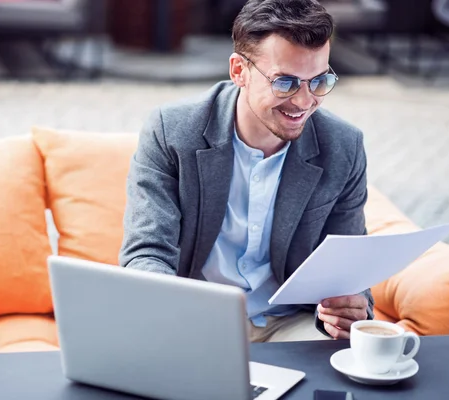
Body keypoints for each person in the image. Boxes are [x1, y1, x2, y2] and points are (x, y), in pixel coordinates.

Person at [119, 0, 374, 342]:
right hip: (200, 320)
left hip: (292, 322)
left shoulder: (343, 146)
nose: (304, 101)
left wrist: (351, 307)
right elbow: (146, 253)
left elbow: (349, 270)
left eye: (319, 81)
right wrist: (169, 318)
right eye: (285, 83)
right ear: (239, 71)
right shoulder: (172, 131)